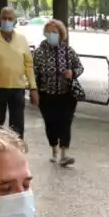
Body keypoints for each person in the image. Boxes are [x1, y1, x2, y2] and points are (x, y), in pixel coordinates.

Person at [0, 7, 38, 139]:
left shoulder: (22, 40)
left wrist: (33, 88)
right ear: (0, 19)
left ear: (15, 20)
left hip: (17, 89)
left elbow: (28, 65)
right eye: (4, 18)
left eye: (10, 18)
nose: (7, 21)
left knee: (17, 127)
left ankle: (16, 154)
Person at [33, 19, 84, 167]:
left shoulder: (68, 51)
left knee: (66, 122)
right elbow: (33, 73)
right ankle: (54, 149)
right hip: (47, 95)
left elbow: (80, 67)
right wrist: (33, 90)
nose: (51, 35)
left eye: (54, 32)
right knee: (51, 123)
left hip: (66, 94)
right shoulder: (39, 52)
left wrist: (72, 72)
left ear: (61, 34)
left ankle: (64, 154)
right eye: (48, 32)